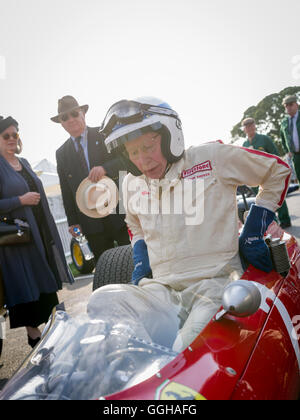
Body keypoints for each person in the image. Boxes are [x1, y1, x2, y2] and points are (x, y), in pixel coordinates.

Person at [93, 97, 291, 353]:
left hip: (214, 284)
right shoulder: (130, 183)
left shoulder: (211, 157)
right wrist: (141, 260)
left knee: (180, 351)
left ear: (169, 137)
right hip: (161, 290)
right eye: (133, 152)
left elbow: (277, 171)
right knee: (103, 302)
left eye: (148, 146)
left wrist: (254, 228)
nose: (142, 160)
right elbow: (135, 225)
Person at [0, 116, 73, 348]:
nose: (12, 139)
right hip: (18, 240)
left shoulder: (25, 163)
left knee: (46, 283)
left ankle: (56, 335)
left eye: (15, 135)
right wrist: (19, 200)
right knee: (27, 287)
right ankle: (35, 338)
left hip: (39, 234)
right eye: (6, 136)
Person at [52, 96, 130, 263]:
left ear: (83, 113)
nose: (70, 119)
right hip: (90, 221)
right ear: (61, 123)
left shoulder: (104, 134)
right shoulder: (61, 153)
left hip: (119, 212)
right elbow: (66, 190)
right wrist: (73, 222)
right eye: (64, 117)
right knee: (105, 267)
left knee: (134, 259)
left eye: (74, 114)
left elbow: (126, 160)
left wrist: (105, 168)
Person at [242, 117, 292, 229]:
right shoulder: (244, 144)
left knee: (276, 198)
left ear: (255, 126)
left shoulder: (264, 139)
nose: (249, 127)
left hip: (270, 175)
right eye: (246, 126)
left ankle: (285, 219)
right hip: (255, 178)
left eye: (251, 125)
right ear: (244, 129)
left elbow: (275, 154)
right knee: (262, 202)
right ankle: (272, 223)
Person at [280, 95, 300, 183]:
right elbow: (283, 139)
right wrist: (287, 151)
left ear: (297, 105)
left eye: (290, 104)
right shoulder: (284, 122)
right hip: (295, 156)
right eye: (286, 106)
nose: (288, 107)